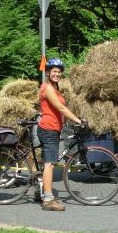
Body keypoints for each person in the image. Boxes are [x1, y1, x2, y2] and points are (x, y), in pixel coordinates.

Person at [39, 58, 83, 211]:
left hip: (53, 128)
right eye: (54, 71)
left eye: (59, 72)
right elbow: (61, 108)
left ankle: (43, 190)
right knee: (50, 164)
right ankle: (48, 200)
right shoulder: (48, 88)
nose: (57, 74)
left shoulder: (54, 87)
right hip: (48, 128)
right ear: (48, 72)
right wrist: (78, 121)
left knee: (49, 162)